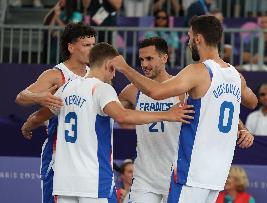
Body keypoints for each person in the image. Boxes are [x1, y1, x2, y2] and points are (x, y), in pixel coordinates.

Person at [109, 15, 258, 202]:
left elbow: (156, 92)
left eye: (189, 37)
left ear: (198, 39)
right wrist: (242, 127)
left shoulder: (197, 71)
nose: (188, 43)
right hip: (216, 173)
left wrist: (125, 68)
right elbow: (251, 102)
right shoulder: (235, 76)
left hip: (192, 171)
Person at [21, 42, 193, 203]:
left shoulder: (66, 88)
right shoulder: (103, 89)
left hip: (64, 181)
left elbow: (39, 116)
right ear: (109, 65)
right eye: (114, 69)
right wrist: (166, 115)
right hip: (95, 179)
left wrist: (28, 125)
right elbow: (122, 116)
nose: (115, 74)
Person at [15, 23, 96, 203]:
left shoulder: (95, 76)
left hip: (88, 157)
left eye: (93, 45)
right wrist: (39, 97)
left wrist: (30, 122)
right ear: (71, 47)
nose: (92, 50)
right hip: (59, 157)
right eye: (86, 45)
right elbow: (21, 97)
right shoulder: (56, 75)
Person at [119, 37, 184, 203]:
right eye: (141, 59)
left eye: (149, 59)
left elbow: (210, 110)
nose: (144, 64)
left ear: (164, 58)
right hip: (144, 176)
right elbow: (108, 109)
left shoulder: (181, 89)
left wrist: (241, 128)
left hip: (175, 174)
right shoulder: (134, 90)